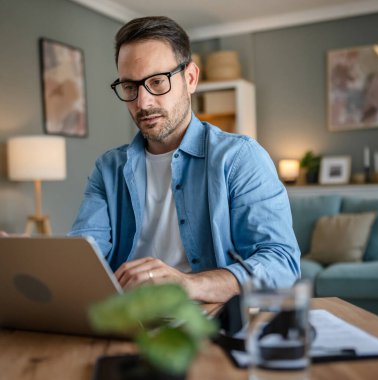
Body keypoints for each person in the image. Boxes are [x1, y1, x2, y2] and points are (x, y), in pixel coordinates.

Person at [69, 16, 300, 303]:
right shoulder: (108, 169)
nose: (143, 102)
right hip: (128, 318)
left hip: (206, 318)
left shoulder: (240, 158)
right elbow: (84, 255)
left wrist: (188, 284)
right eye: (130, 87)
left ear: (190, 78)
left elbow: (281, 264)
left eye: (157, 81)